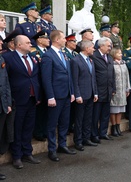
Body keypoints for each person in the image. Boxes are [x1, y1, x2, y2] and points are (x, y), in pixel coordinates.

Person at [3, 35, 41, 169]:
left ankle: (27, 152)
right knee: (17, 128)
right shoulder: (8, 58)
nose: (30, 44)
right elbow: (5, 80)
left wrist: (38, 95)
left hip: (32, 99)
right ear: (19, 45)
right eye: (27, 42)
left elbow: (36, 78)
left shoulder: (33, 58)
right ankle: (17, 156)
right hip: (17, 100)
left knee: (28, 127)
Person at [41, 30, 76, 162]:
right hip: (55, 96)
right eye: (63, 38)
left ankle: (62, 145)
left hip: (66, 94)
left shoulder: (63, 54)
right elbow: (46, 78)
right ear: (56, 40)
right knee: (52, 124)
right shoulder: (48, 56)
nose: (65, 40)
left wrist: (72, 92)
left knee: (64, 122)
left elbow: (69, 76)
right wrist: (50, 96)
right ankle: (51, 149)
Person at [71, 40, 98, 151]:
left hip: (90, 94)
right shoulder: (75, 61)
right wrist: (77, 95)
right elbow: (74, 80)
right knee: (79, 119)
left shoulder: (91, 60)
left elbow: (93, 79)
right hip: (81, 95)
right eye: (92, 47)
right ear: (86, 48)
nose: (93, 49)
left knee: (88, 118)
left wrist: (95, 92)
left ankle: (86, 138)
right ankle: (78, 141)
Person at [90, 37, 116, 142]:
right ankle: (94, 134)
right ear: (101, 46)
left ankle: (103, 132)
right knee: (95, 115)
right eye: (108, 46)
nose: (110, 48)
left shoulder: (109, 57)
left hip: (108, 90)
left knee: (105, 114)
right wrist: (95, 91)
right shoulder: (94, 56)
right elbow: (93, 76)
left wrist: (113, 88)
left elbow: (112, 74)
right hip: (99, 90)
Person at [31, 30, 50, 142]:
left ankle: (44, 130)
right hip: (39, 84)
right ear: (39, 40)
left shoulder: (48, 51)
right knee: (39, 110)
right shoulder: (34, 51)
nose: (48, 40)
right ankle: (38, 132)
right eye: (46, 38)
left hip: (48, 85)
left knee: (47, 110)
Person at [110, 48, 131, 136]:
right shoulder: (112, 64)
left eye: (121, 53)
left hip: (122, 90)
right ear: (114, 54)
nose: (121, 55)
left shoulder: (123, 64)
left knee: (120, 110)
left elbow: (127, 76)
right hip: (115, 90)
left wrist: (128, 88)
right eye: (119, 53)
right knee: (114, 109)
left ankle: (118, 126)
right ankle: (113, 126)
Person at [0, 36, 12, 180]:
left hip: (2, 104)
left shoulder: (2, 59)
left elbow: (6, 83)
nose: (2, 43)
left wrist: (8, 102)